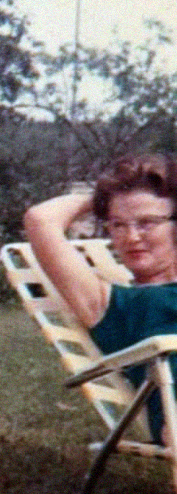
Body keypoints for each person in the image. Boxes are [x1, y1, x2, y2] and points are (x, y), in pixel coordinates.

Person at [24, 153, 177, 452]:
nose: (131, 238)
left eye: (146, 223)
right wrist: (103, 195)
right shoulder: (113, 304)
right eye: (117, 225)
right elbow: (41, 220)